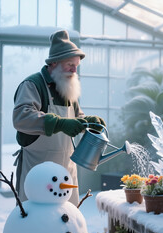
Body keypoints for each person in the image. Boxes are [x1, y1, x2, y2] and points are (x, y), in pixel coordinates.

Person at [12, 30, 106, 205]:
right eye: (70, 64)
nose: (74, 69)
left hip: (67, 172)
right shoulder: (33, 84)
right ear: (53, 63)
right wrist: (59, 123)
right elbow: (21, 117)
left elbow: (76, 117)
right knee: (38, 220)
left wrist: (88, 122)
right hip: (38, 172)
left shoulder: (67, 84)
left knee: (67, 222)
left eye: (76, 65)